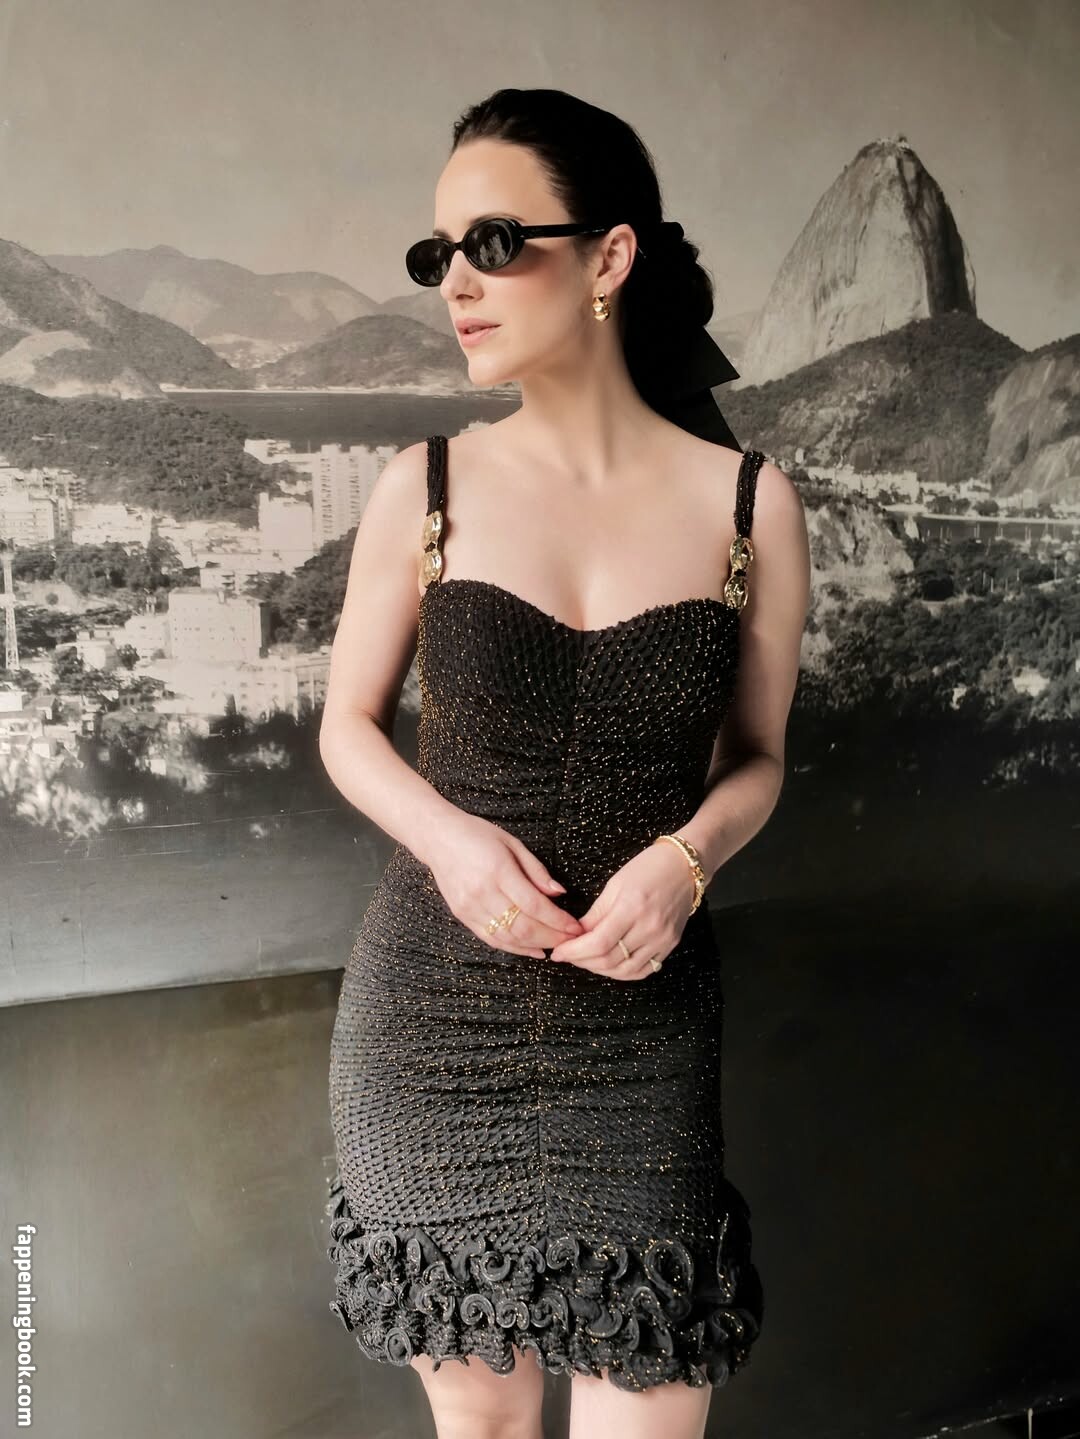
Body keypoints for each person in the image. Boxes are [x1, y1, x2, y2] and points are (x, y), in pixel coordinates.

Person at [319, 87, 811, 1439]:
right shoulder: (422, 485)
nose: (456, 285)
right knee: (477, 1426)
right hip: (432, 1022)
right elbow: (348, 728)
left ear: (610, 256)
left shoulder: (751, 507)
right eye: (437, 254)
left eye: (492, 243)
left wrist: (687, 860)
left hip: (641, 1032)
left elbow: (759, 758)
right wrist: (449, 841)